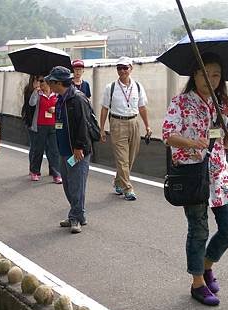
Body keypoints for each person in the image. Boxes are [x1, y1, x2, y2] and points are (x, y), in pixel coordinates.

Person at [162, 52, 228, 306]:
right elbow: (167, 134)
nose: (210, 78)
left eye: (216, 73)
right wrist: (191, 141)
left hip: (219, 175)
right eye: (204, 73)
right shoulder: (181, 102)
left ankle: (206, 265)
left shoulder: (221, 105)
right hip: (193, 173)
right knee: (198, 229)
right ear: (194, 75)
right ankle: (197, 283)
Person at [45, 66, 93, 234]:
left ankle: (75, 217)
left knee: (76, 185)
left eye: (51, 82)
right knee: (68, 183)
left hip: (77, 150)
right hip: (64, 148)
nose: (49, 84)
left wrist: (79, 146)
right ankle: (79, 214)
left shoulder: (77, 99)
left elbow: (83, 125)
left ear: (58, 82)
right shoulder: (61, 99)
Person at [99, 56, 151, 201]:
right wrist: (102, 128)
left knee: (130, 157)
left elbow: (142, 107)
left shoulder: (138, 86)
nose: (122, 71)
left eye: (125, 67)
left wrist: (147, 125)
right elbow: (104, 109)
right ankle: (128, 188)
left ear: (131, 68)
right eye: (119, 68)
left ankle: (118, 182)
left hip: (134, 122)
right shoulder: (111, 88)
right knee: (122, 159)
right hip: (117, 123)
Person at [28, 75, 61, 183]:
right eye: (39, 81)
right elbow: (31, 103)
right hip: (40, 125)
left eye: (42, 81)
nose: (41, 83)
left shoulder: (56, 94)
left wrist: (55, 109)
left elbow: (61, 106)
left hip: (53, 125)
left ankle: (56, 173)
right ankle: (35, 171)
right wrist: (35, 91)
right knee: (39, 149)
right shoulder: (38, 94)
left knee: (54, 150)